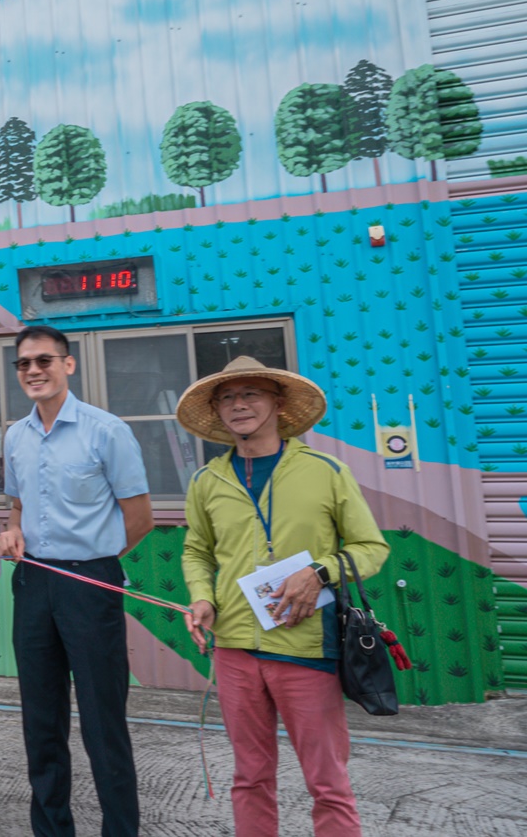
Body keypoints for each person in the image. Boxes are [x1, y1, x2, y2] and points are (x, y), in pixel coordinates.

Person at [177, 357, 389, 837]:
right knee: (250, 777)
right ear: (218, 411)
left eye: (251, 393)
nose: (239, 405)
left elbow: (371, 548)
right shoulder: (206, 481)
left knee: (327, 781)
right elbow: (196, 550)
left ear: (277, 403)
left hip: (306, 646)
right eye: (227, 397)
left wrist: (320, 572)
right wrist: (201, 597)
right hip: (233, 648)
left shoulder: (326, 471)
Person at [0, 325, 152, 837]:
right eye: (24, 363)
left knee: (103, 722)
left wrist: (94, 562)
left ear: (69, 364)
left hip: (90, 582)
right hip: (33, 581)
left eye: (44, 360)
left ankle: (120, 830)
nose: (34, 371)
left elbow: (140, 515)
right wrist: (13, 529)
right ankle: (52, 828)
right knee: (41, 721)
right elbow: (17, 505)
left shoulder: (106, 430)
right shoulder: (16, 435)